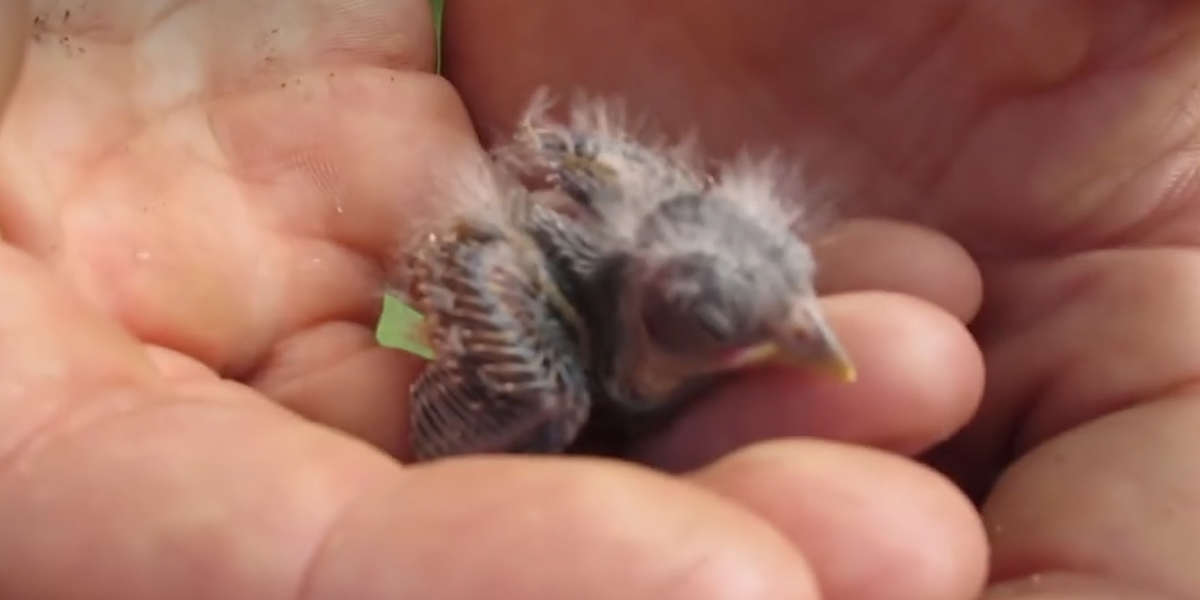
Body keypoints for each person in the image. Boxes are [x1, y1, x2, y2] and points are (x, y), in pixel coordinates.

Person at [0, 1, 1192, 598]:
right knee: (536, 405)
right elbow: (493, 258)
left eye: (785, 315)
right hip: (444, 307)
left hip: (531, 271)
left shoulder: (690, 242)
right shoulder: (550, 364)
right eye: (743, 329)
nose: (799, 340)